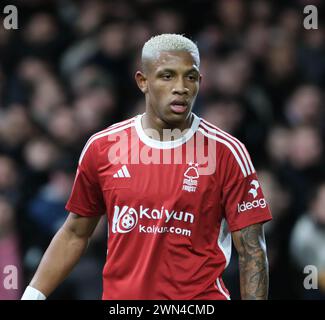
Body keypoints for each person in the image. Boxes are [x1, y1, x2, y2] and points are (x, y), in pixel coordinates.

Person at [22, 34, 272, 300]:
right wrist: (32, 296)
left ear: (199, 83)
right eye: (167, 76)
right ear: (143, 81)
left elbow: (252, 252)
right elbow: (74, 233)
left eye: (190, 77)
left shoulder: (227, 153)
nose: (181, 87)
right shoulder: (103, 147)